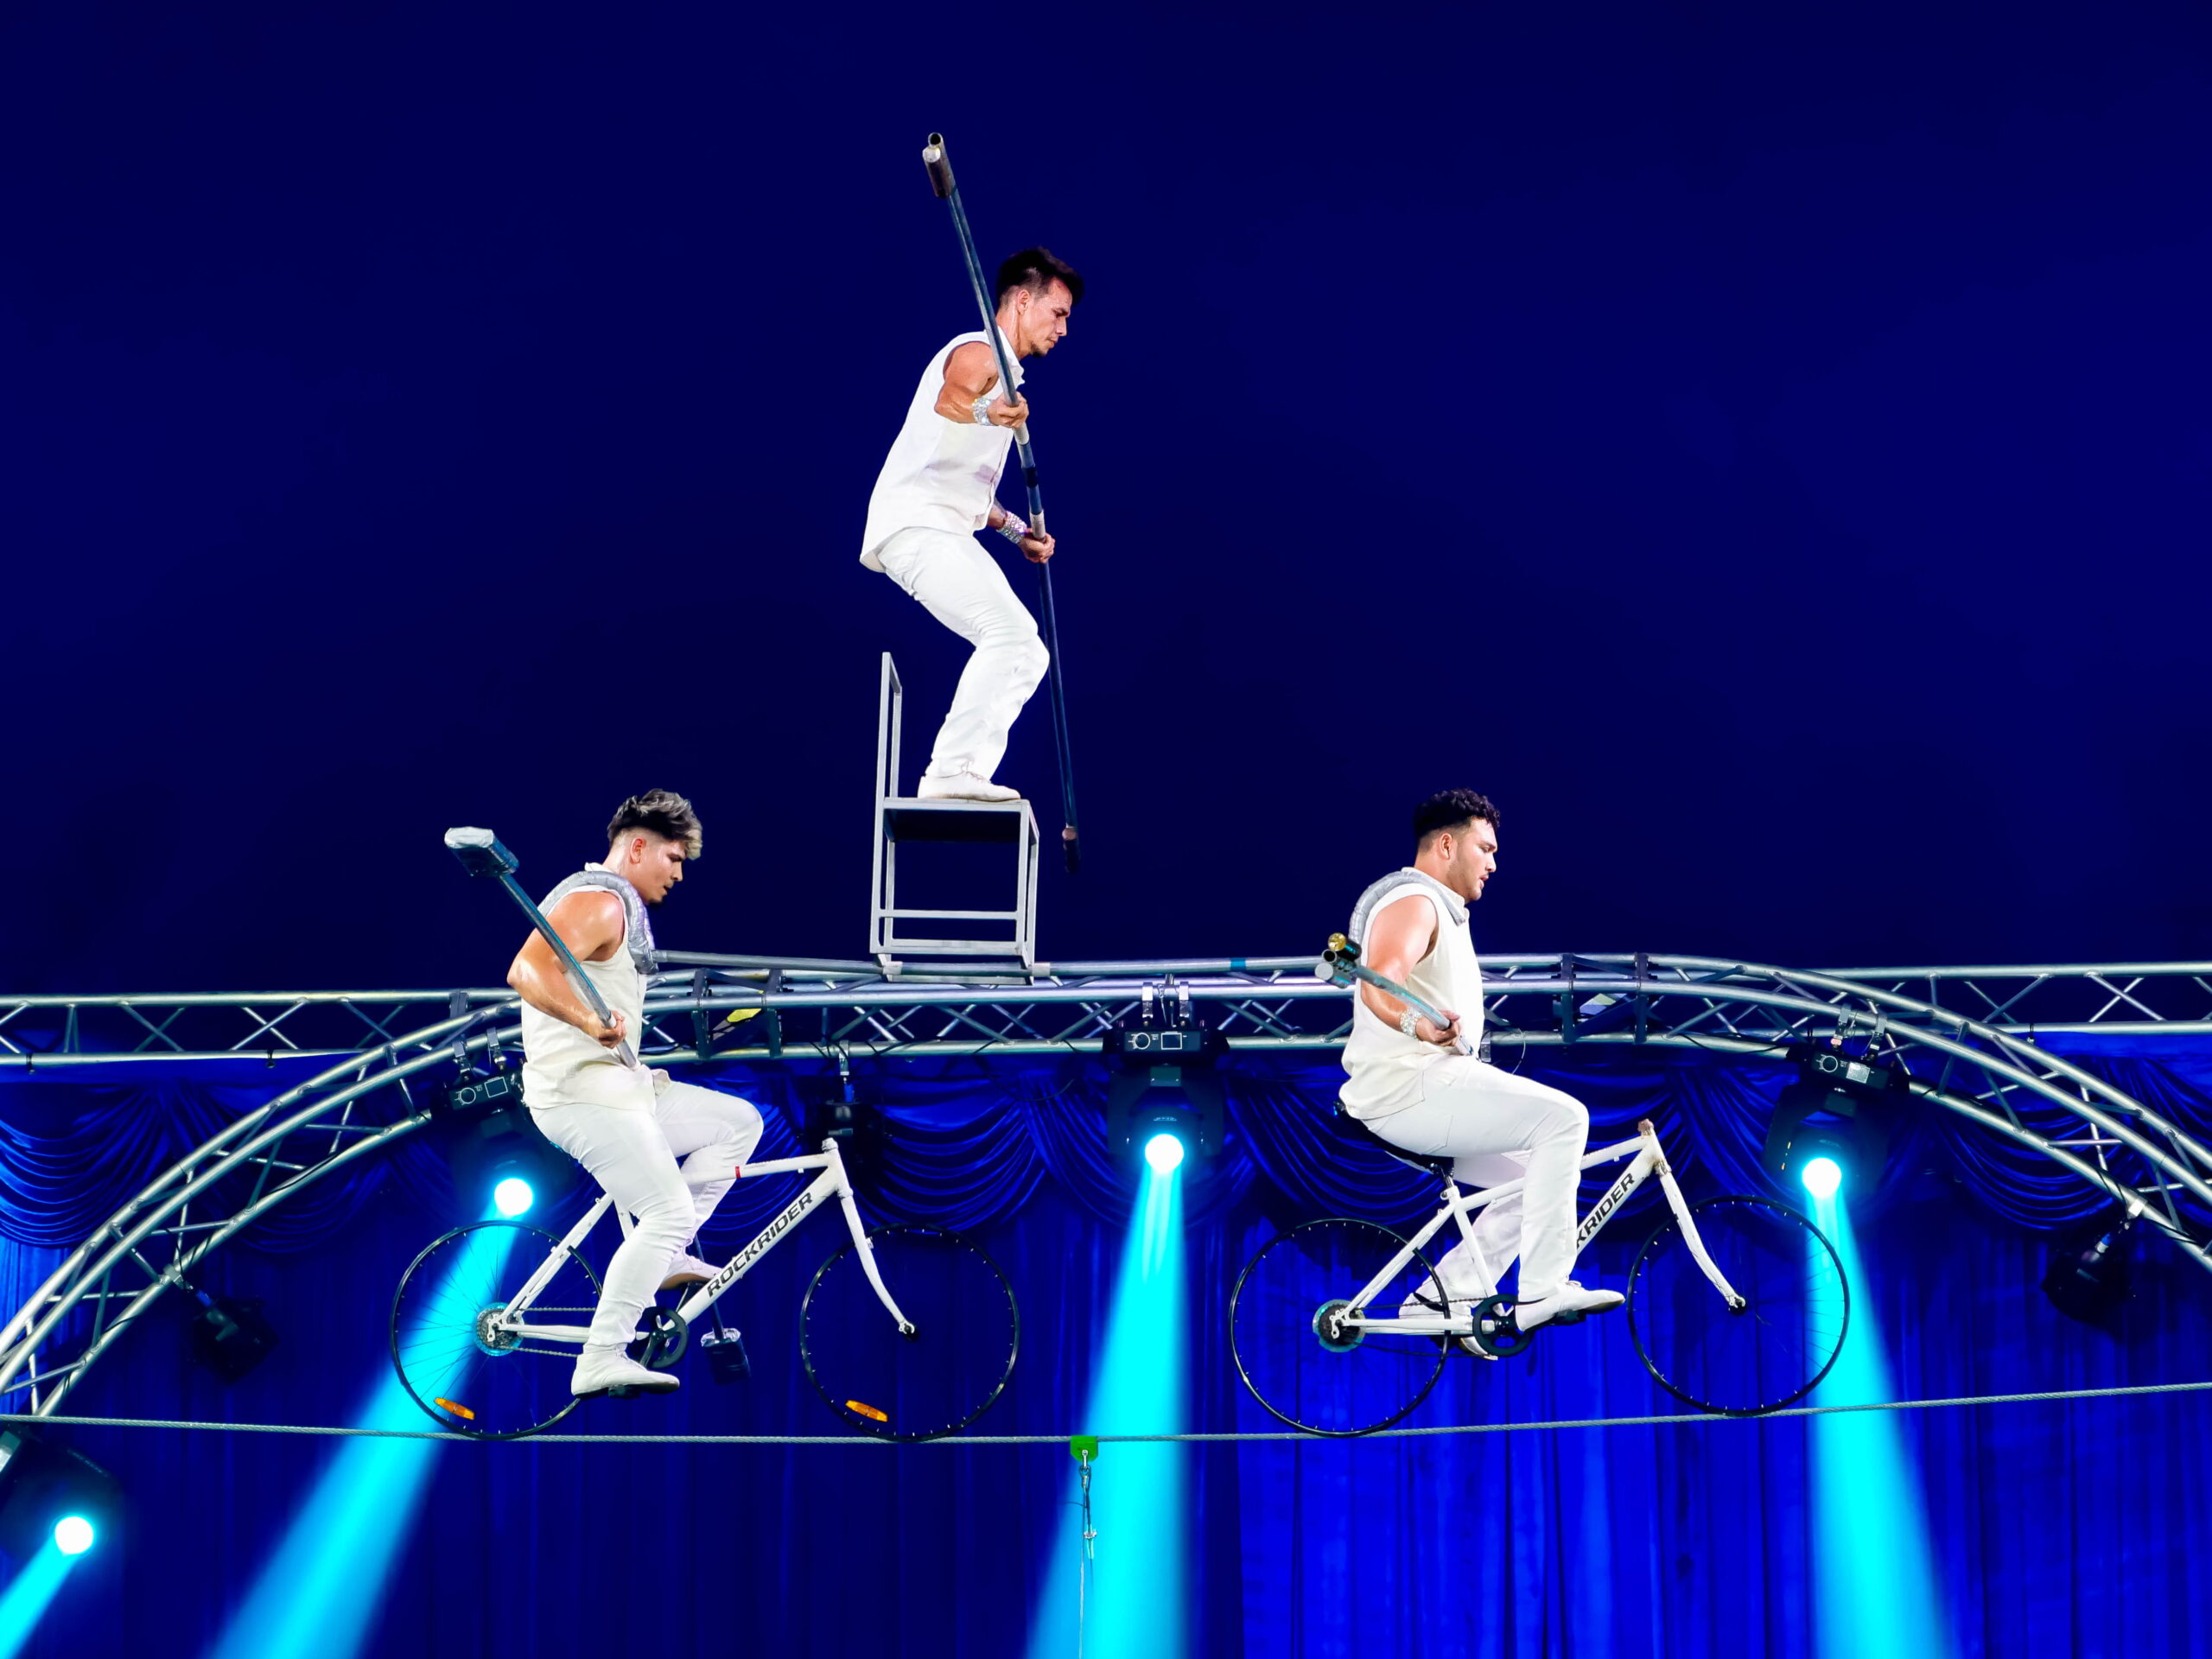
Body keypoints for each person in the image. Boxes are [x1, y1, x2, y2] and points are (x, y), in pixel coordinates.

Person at [1340, 788, 1623, 1344]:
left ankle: (1439, 1299)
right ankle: (1542, 1291)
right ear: (1447, 845)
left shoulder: (1445, 912)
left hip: (1427, 1087)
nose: (1494, 863)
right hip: (1409, 1086)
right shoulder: (1415, 900)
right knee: (1566, 1119)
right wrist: (1417, 1024)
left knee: (1538, 1179)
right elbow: (1379, 980)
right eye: (1486, 848)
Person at [507, 790, 764, 1398]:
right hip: (580, 1095)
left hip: (623, 1089)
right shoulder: (597, 902)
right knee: (666, 1211)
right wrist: (586, 1020)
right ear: (639, 847)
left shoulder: (620, 908)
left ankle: (666, 1254)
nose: (679, 874)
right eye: (673, 858)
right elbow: (526, 969)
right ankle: (600, 1356)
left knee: (738, 1123)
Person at [859, 246, 1081, 802]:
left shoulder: (1006, 374)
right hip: (917, 524)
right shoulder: (979, 351)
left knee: (1029, 651)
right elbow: (950, 399)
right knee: (1010, 637)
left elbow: (972, 492)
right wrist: (986, 411)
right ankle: (950, 772)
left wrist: (1017, 533)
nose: (1064, 329)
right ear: (1023, 301)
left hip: (940, 526)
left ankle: (962, 772)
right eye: (1058, 313)